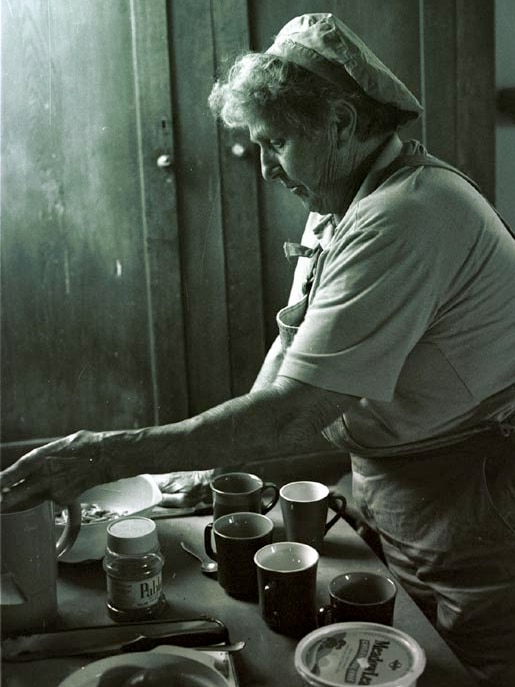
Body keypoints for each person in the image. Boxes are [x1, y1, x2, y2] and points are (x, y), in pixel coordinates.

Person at [1, 13, 514, 686]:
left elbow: (294, 411)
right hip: (399, 480)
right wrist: (212, 458)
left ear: (338, 120)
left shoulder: (407, 213)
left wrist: (105, 451)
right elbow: (292, 343)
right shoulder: (342, 201)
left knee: (466, 665)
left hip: (469, 492)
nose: (266, 167)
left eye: (274, 143)